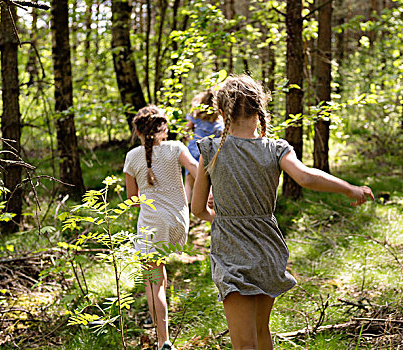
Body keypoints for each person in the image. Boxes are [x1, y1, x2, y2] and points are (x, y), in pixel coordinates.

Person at [191, 75, 375, 350]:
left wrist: (223, 218)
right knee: (261, 332)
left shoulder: (211, 149)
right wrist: (348, 188)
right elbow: (306, 177)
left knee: (244, 344)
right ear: (260, 109)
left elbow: (197, 209)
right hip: (268, 249)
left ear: (221, 111)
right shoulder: (276, 148)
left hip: (232, 252)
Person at [124, 105, 198, 350]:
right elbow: (199, 172)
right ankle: (163, 332)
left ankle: (163, 341)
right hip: (178, 221)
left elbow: (132, 199)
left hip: (152, 224)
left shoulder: (132, 157)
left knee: (153, 282)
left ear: (138, 131)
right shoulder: (176, 148)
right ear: (163, 129)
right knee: (161, 275)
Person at [184, 88, 224, 205]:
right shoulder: (218, 120)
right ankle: (206, 206)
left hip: (194, 149)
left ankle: (185, 210)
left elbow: (186, 129)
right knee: (207, 181)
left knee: (189, 182)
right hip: (210, 152)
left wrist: (191, 139)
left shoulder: (197, 115)